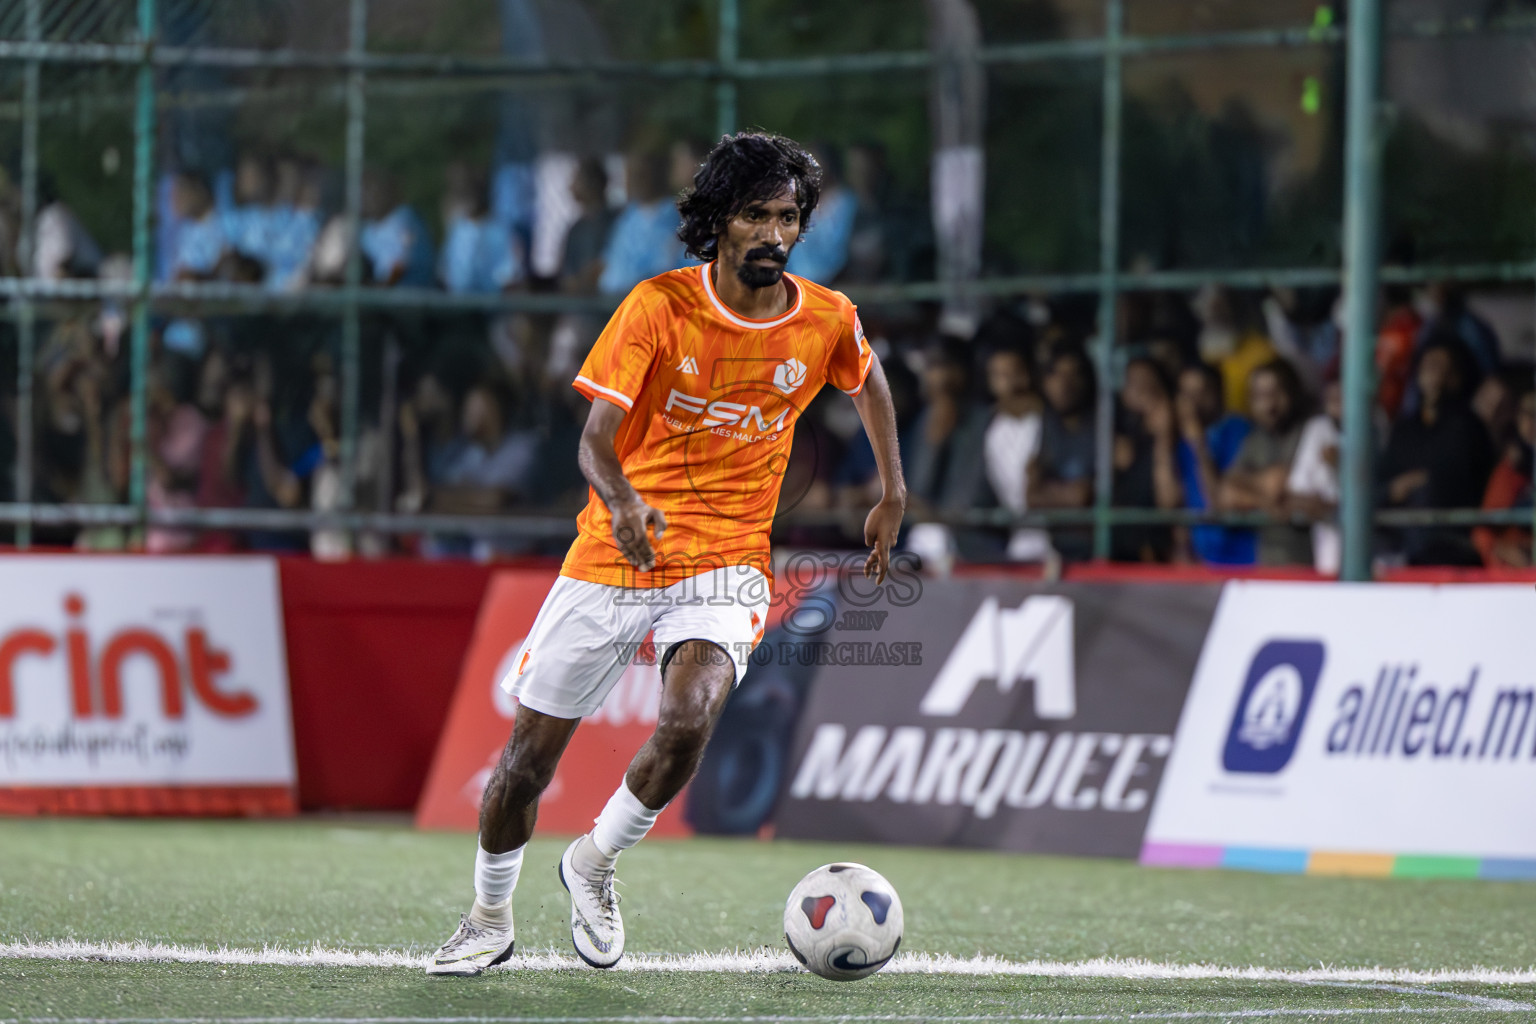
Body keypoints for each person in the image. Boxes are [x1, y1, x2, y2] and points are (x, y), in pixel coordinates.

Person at [427, 131, 904, 976]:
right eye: (757, 214)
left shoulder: (826, 316)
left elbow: (866, 376)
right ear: (720, 220)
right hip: (617, 557)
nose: (774, 234)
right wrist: (623, 505)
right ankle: (489, 915)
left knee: (688, 721)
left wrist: (892, 490)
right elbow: (595, 439)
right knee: (523, 768)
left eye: (788, 217)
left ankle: (595, 863)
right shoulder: (657, 307)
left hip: (727, 558)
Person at [1378, 336, 1495, 565]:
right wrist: (1395, 488)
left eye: (1440, 365)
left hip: (1448, 539)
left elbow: (1456, 481)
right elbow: (1384, 480)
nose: (1431, 371)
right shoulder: (1404, 428)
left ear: (1456, 376)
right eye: (1427, 363)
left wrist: (1418, 483)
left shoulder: (1468, 425)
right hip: (1398, 536)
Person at [1218, 359, 1311, 566]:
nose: (1269, 405)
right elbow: (1227, 493)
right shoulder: (1255, 440)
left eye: (1275, 394)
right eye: (1260, 396)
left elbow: (1278, 482)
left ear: (1293, 393)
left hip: (1310, 563)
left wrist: (1249, 487)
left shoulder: (1311, 430)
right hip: (1268, 565)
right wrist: (1269, 504)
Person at [1174, 361, 1255, 566]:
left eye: (1202, 393)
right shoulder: (1181, 441)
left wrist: (1199, 444)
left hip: (1241, 560)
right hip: (1202, 563)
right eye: (1187, 395)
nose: (1194, 404)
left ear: (1219, 392)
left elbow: (1217, 502)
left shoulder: (1238, 430)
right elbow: (1178, 504)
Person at [1027, 346, 1098, 562]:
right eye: (1056, 374)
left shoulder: (1101, 429)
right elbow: (1031, 496)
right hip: (1047, 552)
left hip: (1091, 555)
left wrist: (1050, 493)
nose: (1064, 384)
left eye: (1073, 374)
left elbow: (1084, 496)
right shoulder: (1039, 426)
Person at [1473, 383, 1533, 568]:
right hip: (1511, 574)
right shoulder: (1509, 469)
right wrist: (1500, 551)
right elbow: (1483, 532)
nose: (1532, 421)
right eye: (1526, 413)